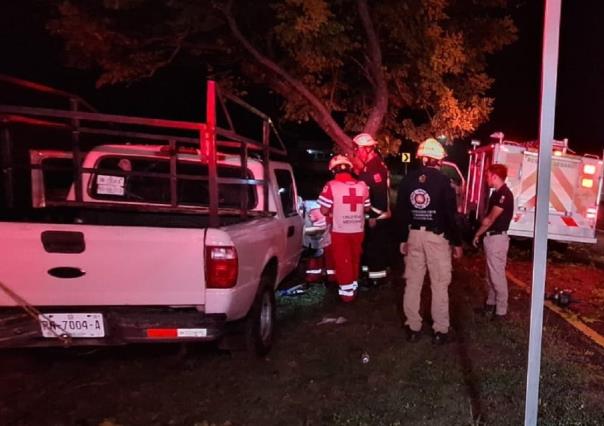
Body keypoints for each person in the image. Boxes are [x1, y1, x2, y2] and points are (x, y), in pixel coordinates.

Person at [393, 137, 463, 344]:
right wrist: (457, 242)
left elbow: (401, 213)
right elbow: (451, 216)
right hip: (436, 238)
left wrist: (402, 239)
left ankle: (413, 327)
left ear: (422, 158)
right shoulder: (444, 183)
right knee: (439, 284)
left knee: (413, 283)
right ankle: (440, 330)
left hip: (413, 236)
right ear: (438, 160)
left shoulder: (408, 180)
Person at [318, 155, 370, 302]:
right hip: (358, 229)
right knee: (355, 258)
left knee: (343, 261)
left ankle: (347, 295)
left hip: (340, 230)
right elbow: (366, 209)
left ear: (334, 170)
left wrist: (334, 210)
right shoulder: (362, 186)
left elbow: (323, 210)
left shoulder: (331, 185)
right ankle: (353, 286)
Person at [472, 164, 514, 319]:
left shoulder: (504, 195)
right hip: (492, 238)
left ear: (495, 177)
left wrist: (477, 234)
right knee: (490, 275)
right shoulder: (496, 194)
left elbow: (489, 220)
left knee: (497, 276)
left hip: (497, 239)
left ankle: (501, 311)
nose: (486, 178)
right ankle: (490, 304)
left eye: (488, 175)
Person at [353, 133, 391, 287]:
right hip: (376, 214)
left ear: (367, 149)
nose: (357, 153)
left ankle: (376, 279)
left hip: (376, 215)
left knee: (374, 248)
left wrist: (372, 215)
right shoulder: (375, 165)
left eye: (358, 150)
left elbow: (379, 195)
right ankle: (369, 275)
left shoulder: (373, 169)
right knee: (371, 247)